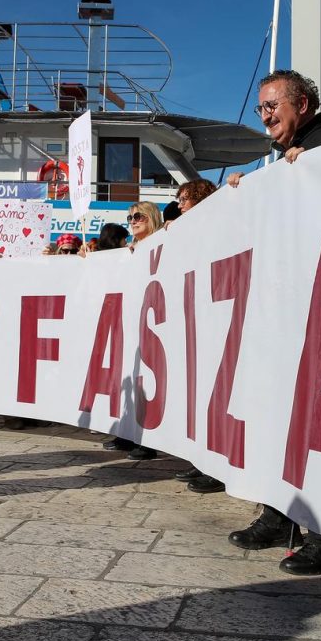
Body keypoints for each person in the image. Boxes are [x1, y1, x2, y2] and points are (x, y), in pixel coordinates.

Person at [225, 70, 321, 576]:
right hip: (286, 314)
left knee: (320, 425)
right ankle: (279, 513)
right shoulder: (283, 163)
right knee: (278, 417)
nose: (264, 116)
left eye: (272, 105)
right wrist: (243, 195)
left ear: (302, 104)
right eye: (260, 108)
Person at [165, 180, 226, 493]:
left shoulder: (221, 224)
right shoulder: (185, 229)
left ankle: (218, 467)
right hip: (198, 325)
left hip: (216, 323)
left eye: (186, 199)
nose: (180, 205)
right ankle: (204, 461)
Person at [101, 202, 164, 460]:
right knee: (132, 378)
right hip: (133, 324)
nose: (133, 220)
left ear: (151, 218)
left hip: (156, 324)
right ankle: (130, 433)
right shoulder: (130, 251)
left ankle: (149, 441)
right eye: (130, 217)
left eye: (138, 216)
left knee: (151, 382)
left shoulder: (164, 240)